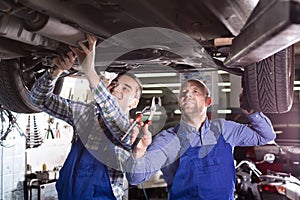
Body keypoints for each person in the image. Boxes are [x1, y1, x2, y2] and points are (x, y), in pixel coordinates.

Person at [29, 34, 143, 200]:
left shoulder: (129, 129)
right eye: (115, 83)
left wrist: (89, 70)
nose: (116, 88)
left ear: (134, 103)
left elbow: (110, 109)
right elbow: (38, 99)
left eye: (126, 88)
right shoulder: (85, 114)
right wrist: (56, 71)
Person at [125, 79, 276, 199]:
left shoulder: (224, 130)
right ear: (180, 103)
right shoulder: (169, 140)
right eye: (183, 93)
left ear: (207, 102)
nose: (187, 95)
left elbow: (266, 135)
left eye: (195, 91)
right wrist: (138, 151)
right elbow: (135, 178)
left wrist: (252, 112)